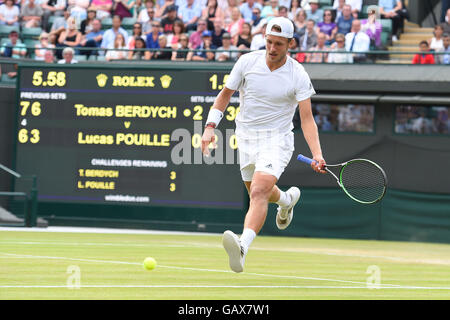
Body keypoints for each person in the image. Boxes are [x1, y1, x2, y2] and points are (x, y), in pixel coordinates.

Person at [201, 16, 325, 273]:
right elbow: (225, 95)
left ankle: (243, 245)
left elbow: (307, 119)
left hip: (277, 139)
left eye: (279, 44)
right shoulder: (247, 61)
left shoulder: (298, 74)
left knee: (258, 190)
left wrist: (317, 154)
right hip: (246, 138)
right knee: (260, 193)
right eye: (269, 42)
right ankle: (287, 200)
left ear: (290, 44)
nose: (272, 48)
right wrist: (210, 127)